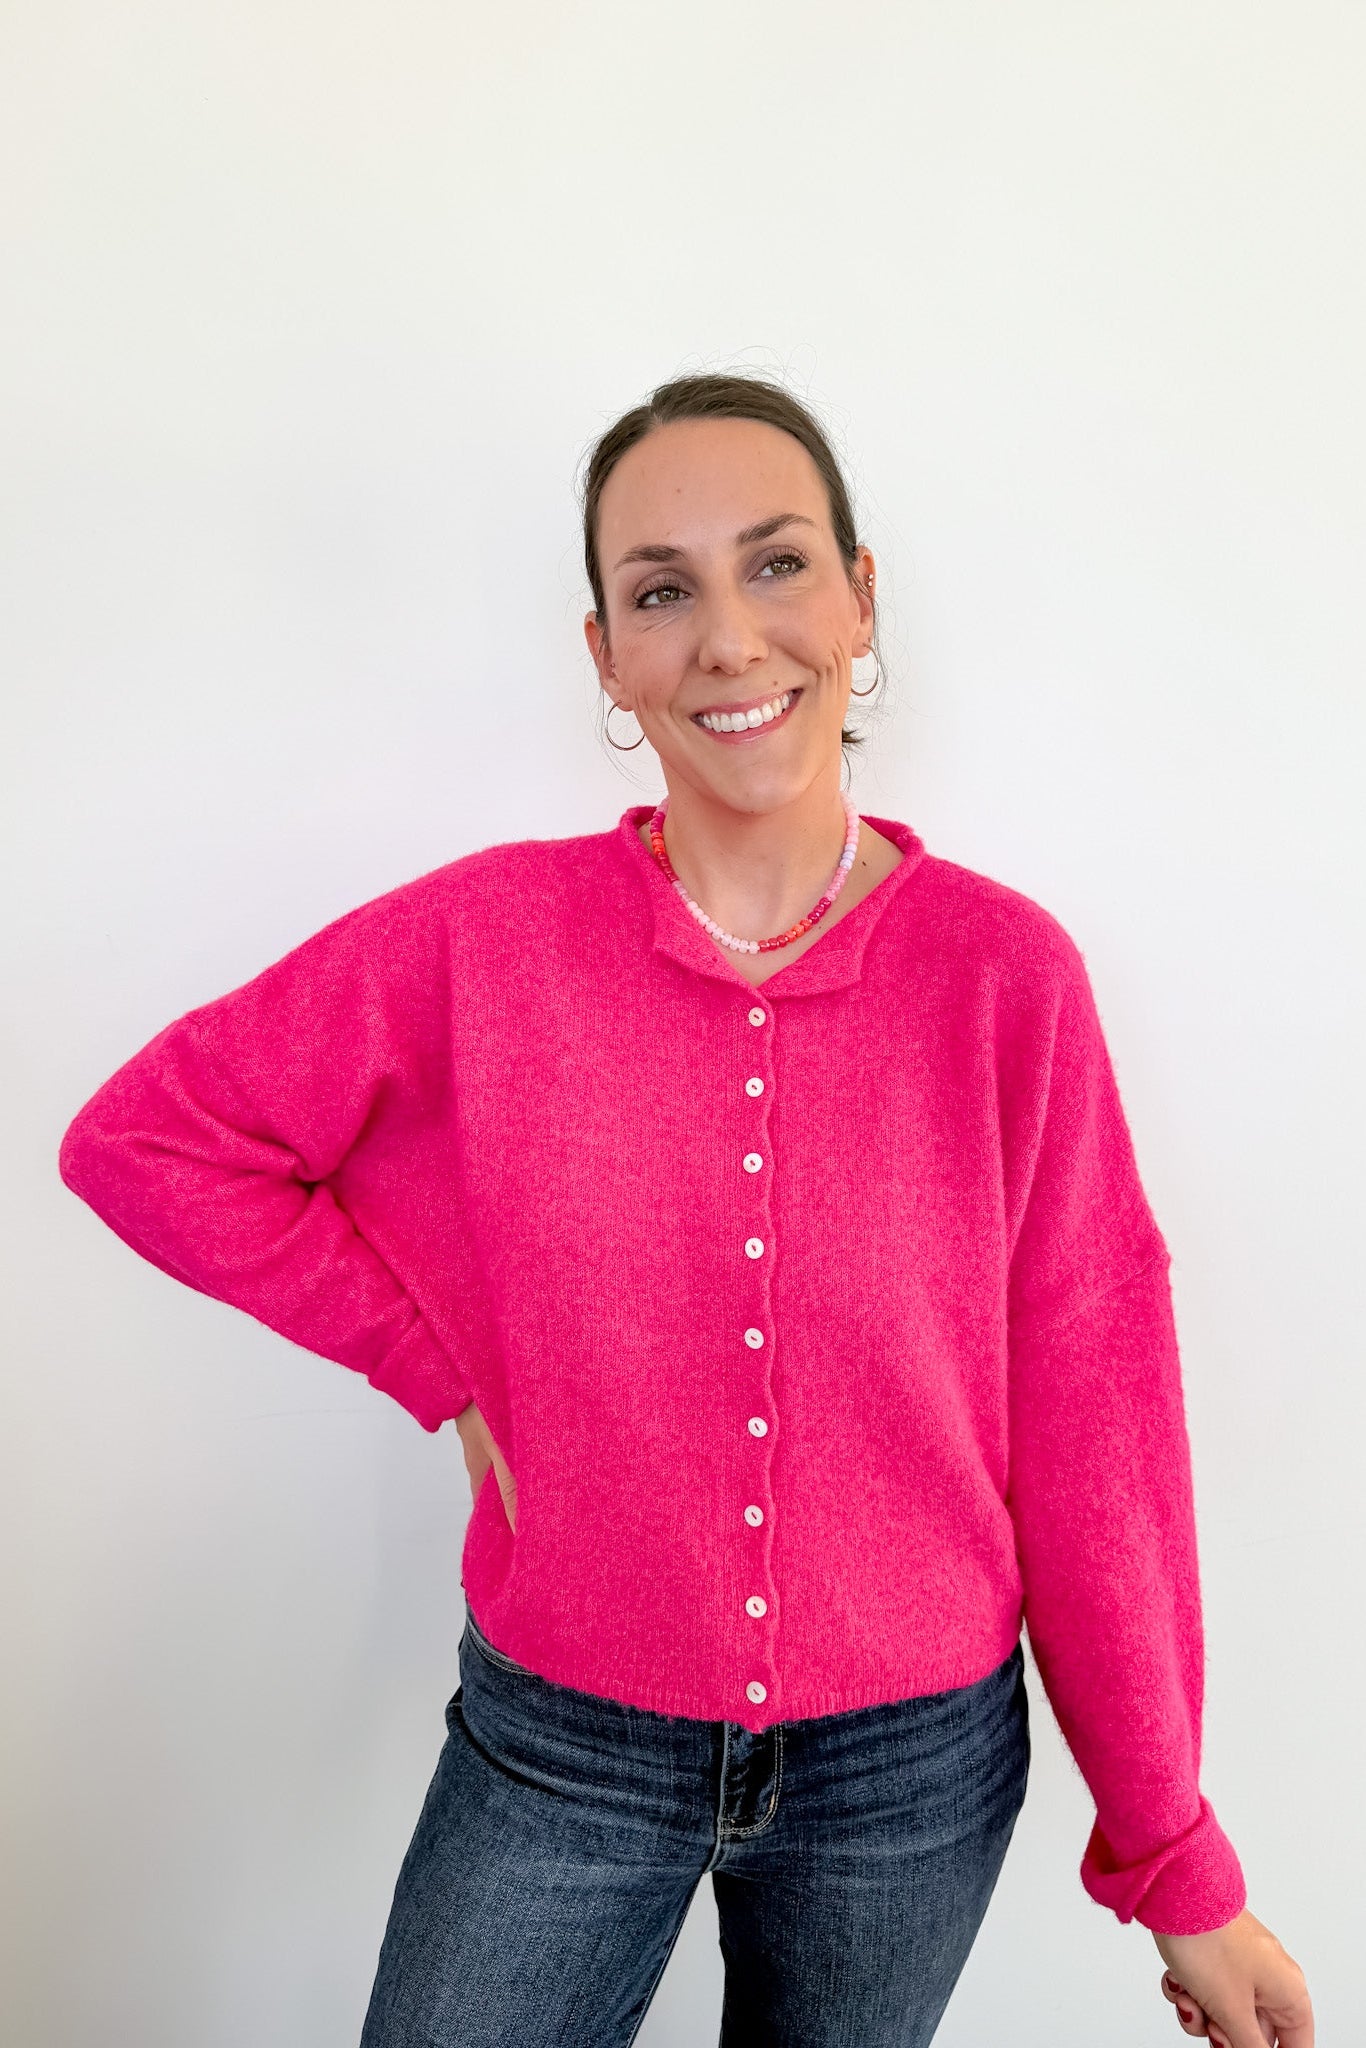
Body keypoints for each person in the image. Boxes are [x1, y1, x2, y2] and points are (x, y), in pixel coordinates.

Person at [57, 372, 1312, 2048]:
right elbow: (149, 1139)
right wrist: (439, 1366)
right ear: (607, 655)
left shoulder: (1006, 981)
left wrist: (1172, 1855)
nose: (729, 638)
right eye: (663, 590)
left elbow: (1095, 1421)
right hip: (560, 1738)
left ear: (861, 601)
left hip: (912, 1767)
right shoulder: (480, 944)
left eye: (778, 566)